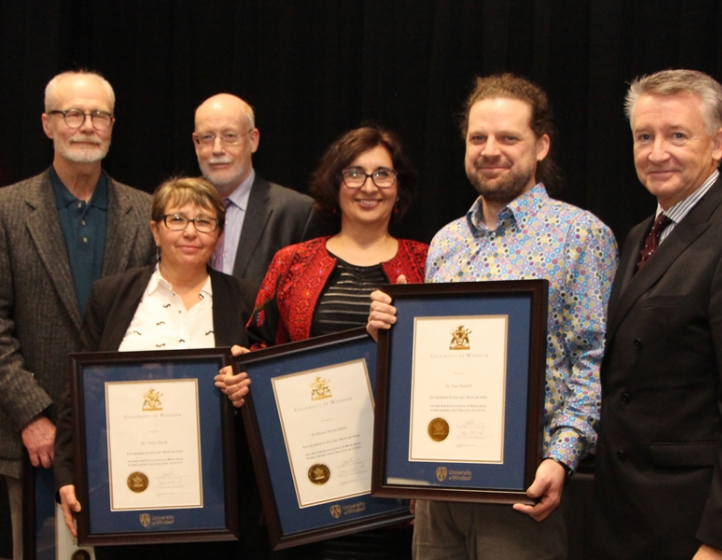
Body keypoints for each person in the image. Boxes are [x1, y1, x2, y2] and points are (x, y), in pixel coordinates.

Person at [368, 74, 618, 560]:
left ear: (541, 145)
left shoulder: (581, 235)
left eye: (508, 138)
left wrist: (561, 459)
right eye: (478, 138)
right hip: (438, 486)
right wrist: (392, 334)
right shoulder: (445, 243)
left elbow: (595, 362)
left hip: (525, 489)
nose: (490, 150)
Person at [217, 125, 428, 558]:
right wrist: (241, 381)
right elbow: (257, 352)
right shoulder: (291, 262)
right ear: (336, 183)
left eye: (382, 174)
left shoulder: (429, 261)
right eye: (354, 173)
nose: (368, 187)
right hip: (307, 488)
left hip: (400, 494)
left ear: (399, 186)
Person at [0, 70, 155, 558]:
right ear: (48, 124)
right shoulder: (3, 209)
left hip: (126, 433)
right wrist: (33, 415)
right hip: (30, 437)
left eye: (99, 115)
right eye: (73, 113)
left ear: (112, 126)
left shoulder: (147, 210)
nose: (86, 125)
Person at [55, 176, 259, 559]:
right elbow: (77, 393)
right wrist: (67, 475)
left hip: (220, 501)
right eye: (177, 219)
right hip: (127, 495)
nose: (190, 232)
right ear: (155, 229)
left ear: (218, 234)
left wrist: (247, 387)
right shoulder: (111, 295)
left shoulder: (247, 300)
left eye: (204, 221)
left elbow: (264, 399)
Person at [591, 69, 722, 560]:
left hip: (690, 527)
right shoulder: (639, 235)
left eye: (677, 135)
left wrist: (716, 542)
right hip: (624, 514)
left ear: (717, 144)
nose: (656, 152)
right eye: (644, 136)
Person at [193, 93, 324, 286]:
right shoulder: (172, 209)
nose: (217, 149)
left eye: (230, 136)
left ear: (253, 140)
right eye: (207, 137)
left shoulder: (297, 213)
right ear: (196, 143)